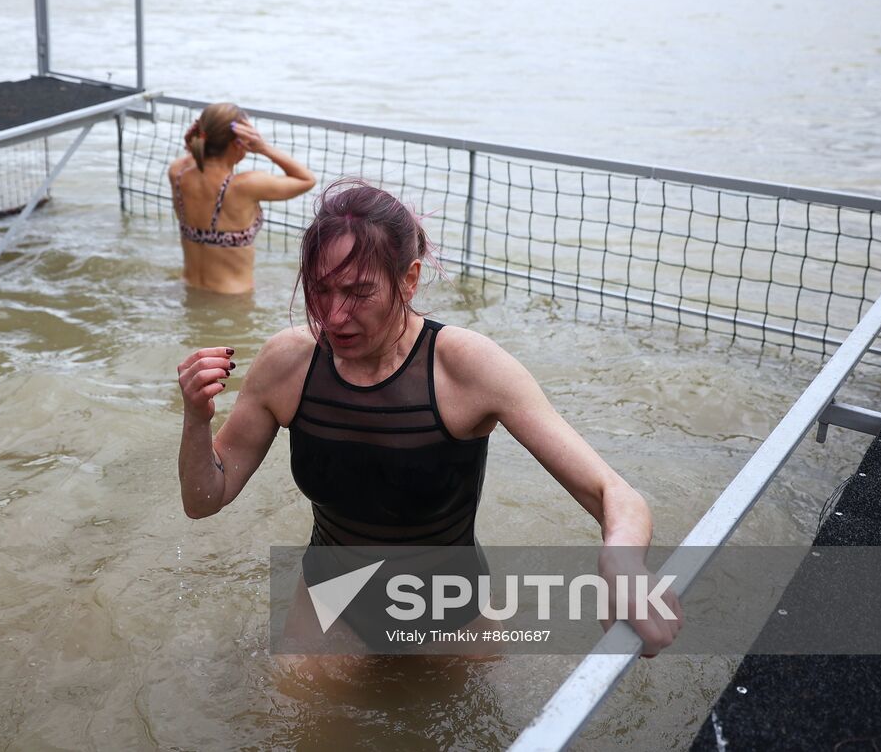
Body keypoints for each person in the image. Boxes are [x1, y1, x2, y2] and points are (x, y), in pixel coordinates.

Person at [176, 180, 681, 665]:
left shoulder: (466, 366)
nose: (332, 315)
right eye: (321, 289)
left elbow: (614, 493)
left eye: (357, 292)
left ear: (409, 279)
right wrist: (197, 420)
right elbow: (204, 500)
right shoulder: (288, 363)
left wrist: (622, 562)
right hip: (330, 609)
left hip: (452, 620)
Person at [168, 103, 315, 293]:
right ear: (239, 142)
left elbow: (191, 158)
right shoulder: (244, 186)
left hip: (189, 289)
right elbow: (307, 179)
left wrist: (196, 143)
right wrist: (264, 148)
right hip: (233, 299)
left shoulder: (178, 175)